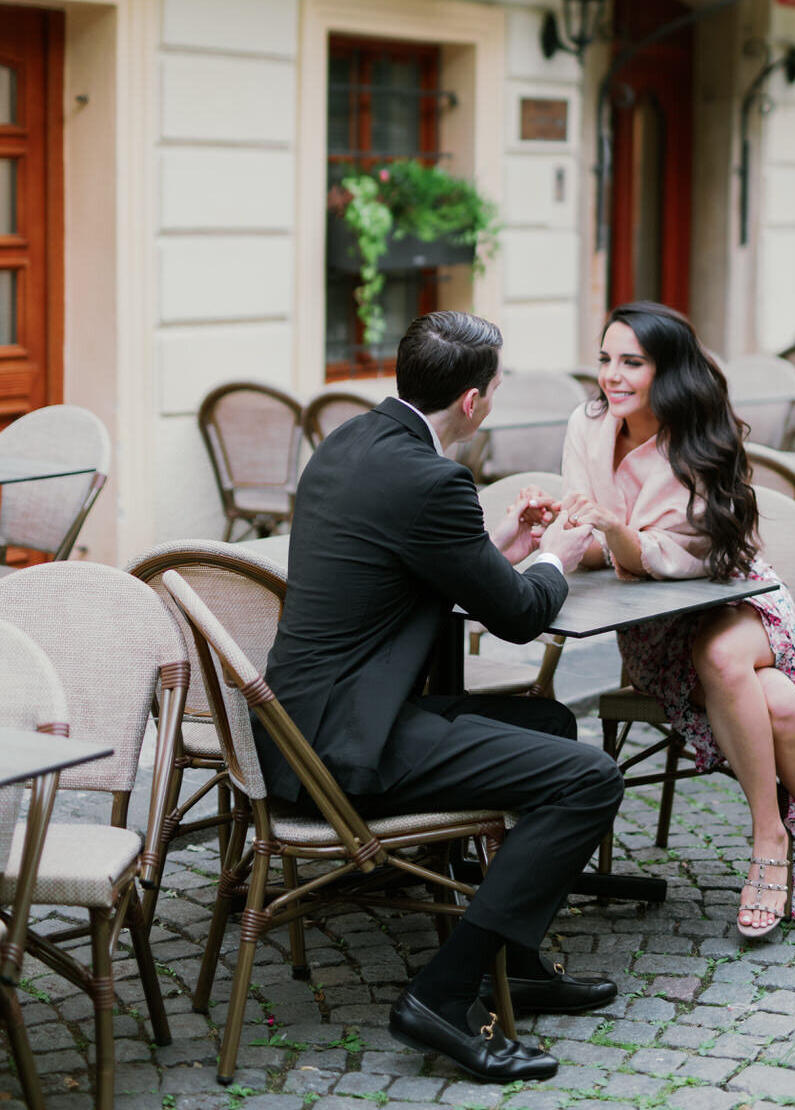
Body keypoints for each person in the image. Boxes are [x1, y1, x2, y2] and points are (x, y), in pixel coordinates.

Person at [255, 310, 624, 1084]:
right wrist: (555, 556)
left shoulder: (350, 443)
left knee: (549, 722)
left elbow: (408, 570)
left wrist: (503, 552)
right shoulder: (434, 481)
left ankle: (513, 958)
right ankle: (441, 996)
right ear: (471, 399)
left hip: (304, 720)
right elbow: (522, 618)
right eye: (492, 388)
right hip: (344, 743)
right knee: (588, 777)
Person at [560, 301, 795, 939]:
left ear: (669, 370)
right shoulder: (588, 425)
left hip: (737, 602)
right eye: (606, 359)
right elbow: (597, 539)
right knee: (774, 701)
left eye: (632, 362)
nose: (613, 376)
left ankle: (767, 839)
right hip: (658, 629)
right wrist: (578, 538)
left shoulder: (700, 439)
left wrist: (615, 532)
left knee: (722, 659)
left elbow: (684, 559)